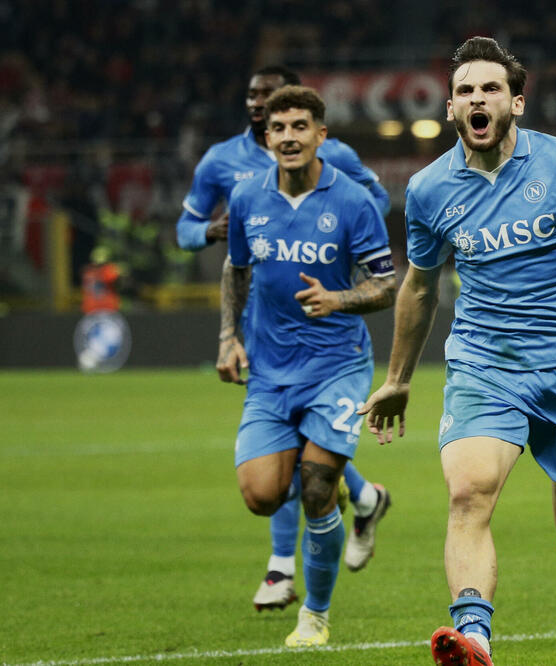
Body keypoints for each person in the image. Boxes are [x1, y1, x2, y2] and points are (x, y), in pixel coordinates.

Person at [358, 37, 556, 666]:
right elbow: (419, 288)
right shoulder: (428, 189)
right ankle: (474, 635)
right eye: (465, 91)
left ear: (516, 102)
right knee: (468, 493)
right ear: (451, 108)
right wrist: (397, 378)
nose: (478, 99)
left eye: (491, 88)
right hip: (485, 364)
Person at [176, 65, 392, 613]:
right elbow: (235, 268)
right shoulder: (244, 193)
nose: (289, 136)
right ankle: (365, 498)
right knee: (261, 496)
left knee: (317, 488)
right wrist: (228, 338)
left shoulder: (351, 197)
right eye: (279, 127)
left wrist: (338, 298)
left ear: (321, 134)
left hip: (336, 363)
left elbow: (387, 283)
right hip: (270, 366)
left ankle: (311, 611)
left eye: (300, 126)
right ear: (266, 136)